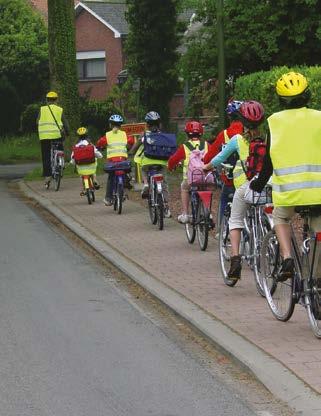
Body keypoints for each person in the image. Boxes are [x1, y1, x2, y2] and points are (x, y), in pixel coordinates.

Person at [250, 72, 321, 281]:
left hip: (289, 193)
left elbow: (269, 162)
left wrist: (258, 184)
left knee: (280, 217)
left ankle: (287, 256)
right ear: (308, 95)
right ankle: (316, 282)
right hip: (318, 192)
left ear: (281, 100)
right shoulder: (319, 117)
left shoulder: (274, 122)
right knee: (318, 235)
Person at [204, 100, 265, 280]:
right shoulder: (268, 138)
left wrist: (207, 167)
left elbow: (218, 158)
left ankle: (236, 258)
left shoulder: (237, 139)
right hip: (267, 185)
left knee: (235, 220)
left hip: (246, 187)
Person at [203, 100, 244, 228]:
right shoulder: (249, 133)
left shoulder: (224, 135)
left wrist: (206, 164)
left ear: (229, 117)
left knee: (225, 199)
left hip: (230, 180)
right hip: (247, 179)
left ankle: (222, 230)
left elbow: (209, 157)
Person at [130, 111, 171, 217]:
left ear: (147, 124)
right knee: (164, 183)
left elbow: (135, 148)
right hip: (161, 162)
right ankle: (166, 207)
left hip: (147, 162)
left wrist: (131, 152)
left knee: (143, 169)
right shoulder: (163, 136)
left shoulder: (144, 135)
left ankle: (146, 184)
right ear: (159, 124)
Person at [168, 121, 209, 223]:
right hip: (205, 177)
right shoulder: (207, 145)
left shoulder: (185, 146)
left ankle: (185, 214)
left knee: (184, 187)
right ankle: (209, 213)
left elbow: (173, 160)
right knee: (206, 189)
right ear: (201, 133)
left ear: (187, 134)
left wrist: (170, 167)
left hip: (190, 179)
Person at [96, 114, 134, 206]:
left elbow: (100, 143)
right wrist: (127, 148)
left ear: (110, 125)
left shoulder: (107, 135)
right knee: (126, 173)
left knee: (111, 178)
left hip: (112, 162)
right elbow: (131, 142)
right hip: (123, 161)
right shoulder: (125, 135)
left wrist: (100, 147)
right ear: (120, 125)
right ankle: (125, 188)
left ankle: (108, 198)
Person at [37, 91, 69, 188]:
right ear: (56, 100)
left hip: (44, 136)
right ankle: (61, 162)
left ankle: (47, 176)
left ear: (47, 100)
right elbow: (65, 123)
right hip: (56, 135)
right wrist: (67, 132)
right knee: (59, 149)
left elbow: (37, 121)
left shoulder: (42, 109)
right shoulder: (59, 109)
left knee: (46, 156)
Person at [70, 127, 102, 195]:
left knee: (82, 175)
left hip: (81, 167)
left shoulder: (76, 146)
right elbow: (97, 154)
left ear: (78, 137)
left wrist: (72, 162)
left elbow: (73, 157)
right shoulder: (90, 145)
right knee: (94, 165)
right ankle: (94, 180)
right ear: (87, 135)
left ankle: (84, 188)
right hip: (91, 166)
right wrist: (100, 156)